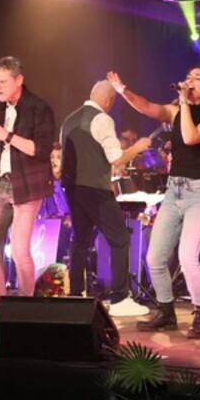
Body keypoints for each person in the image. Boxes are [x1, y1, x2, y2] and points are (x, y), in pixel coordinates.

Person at [107, 66, 200, 338]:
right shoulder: (176, 111)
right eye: (189, 76)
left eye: (197, 78)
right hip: (174, 192)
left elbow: (190, 137)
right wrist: (123, 91)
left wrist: (183, 102)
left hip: (199, 194)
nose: (190, 80)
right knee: (154, 257)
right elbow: (147, 107)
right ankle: (166, 312)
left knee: (187, 256)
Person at [0, 56, 55, 325]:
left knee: (19, 249)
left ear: (19, 80)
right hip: (0, 183)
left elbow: (40, 150)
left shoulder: (38, 108)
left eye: (3, 81)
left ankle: (27, 307)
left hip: (27, 184)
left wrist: (6, 134)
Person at [61, 80, 151, 317]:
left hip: (71, 189)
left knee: (80, 240)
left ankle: (75, 295)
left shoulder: (69, 119)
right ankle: (120, 298)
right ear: (110, 100)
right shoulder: (102, 119)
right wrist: (138, 147)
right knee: (120, 238)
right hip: (94, 190)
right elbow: (116, 159)